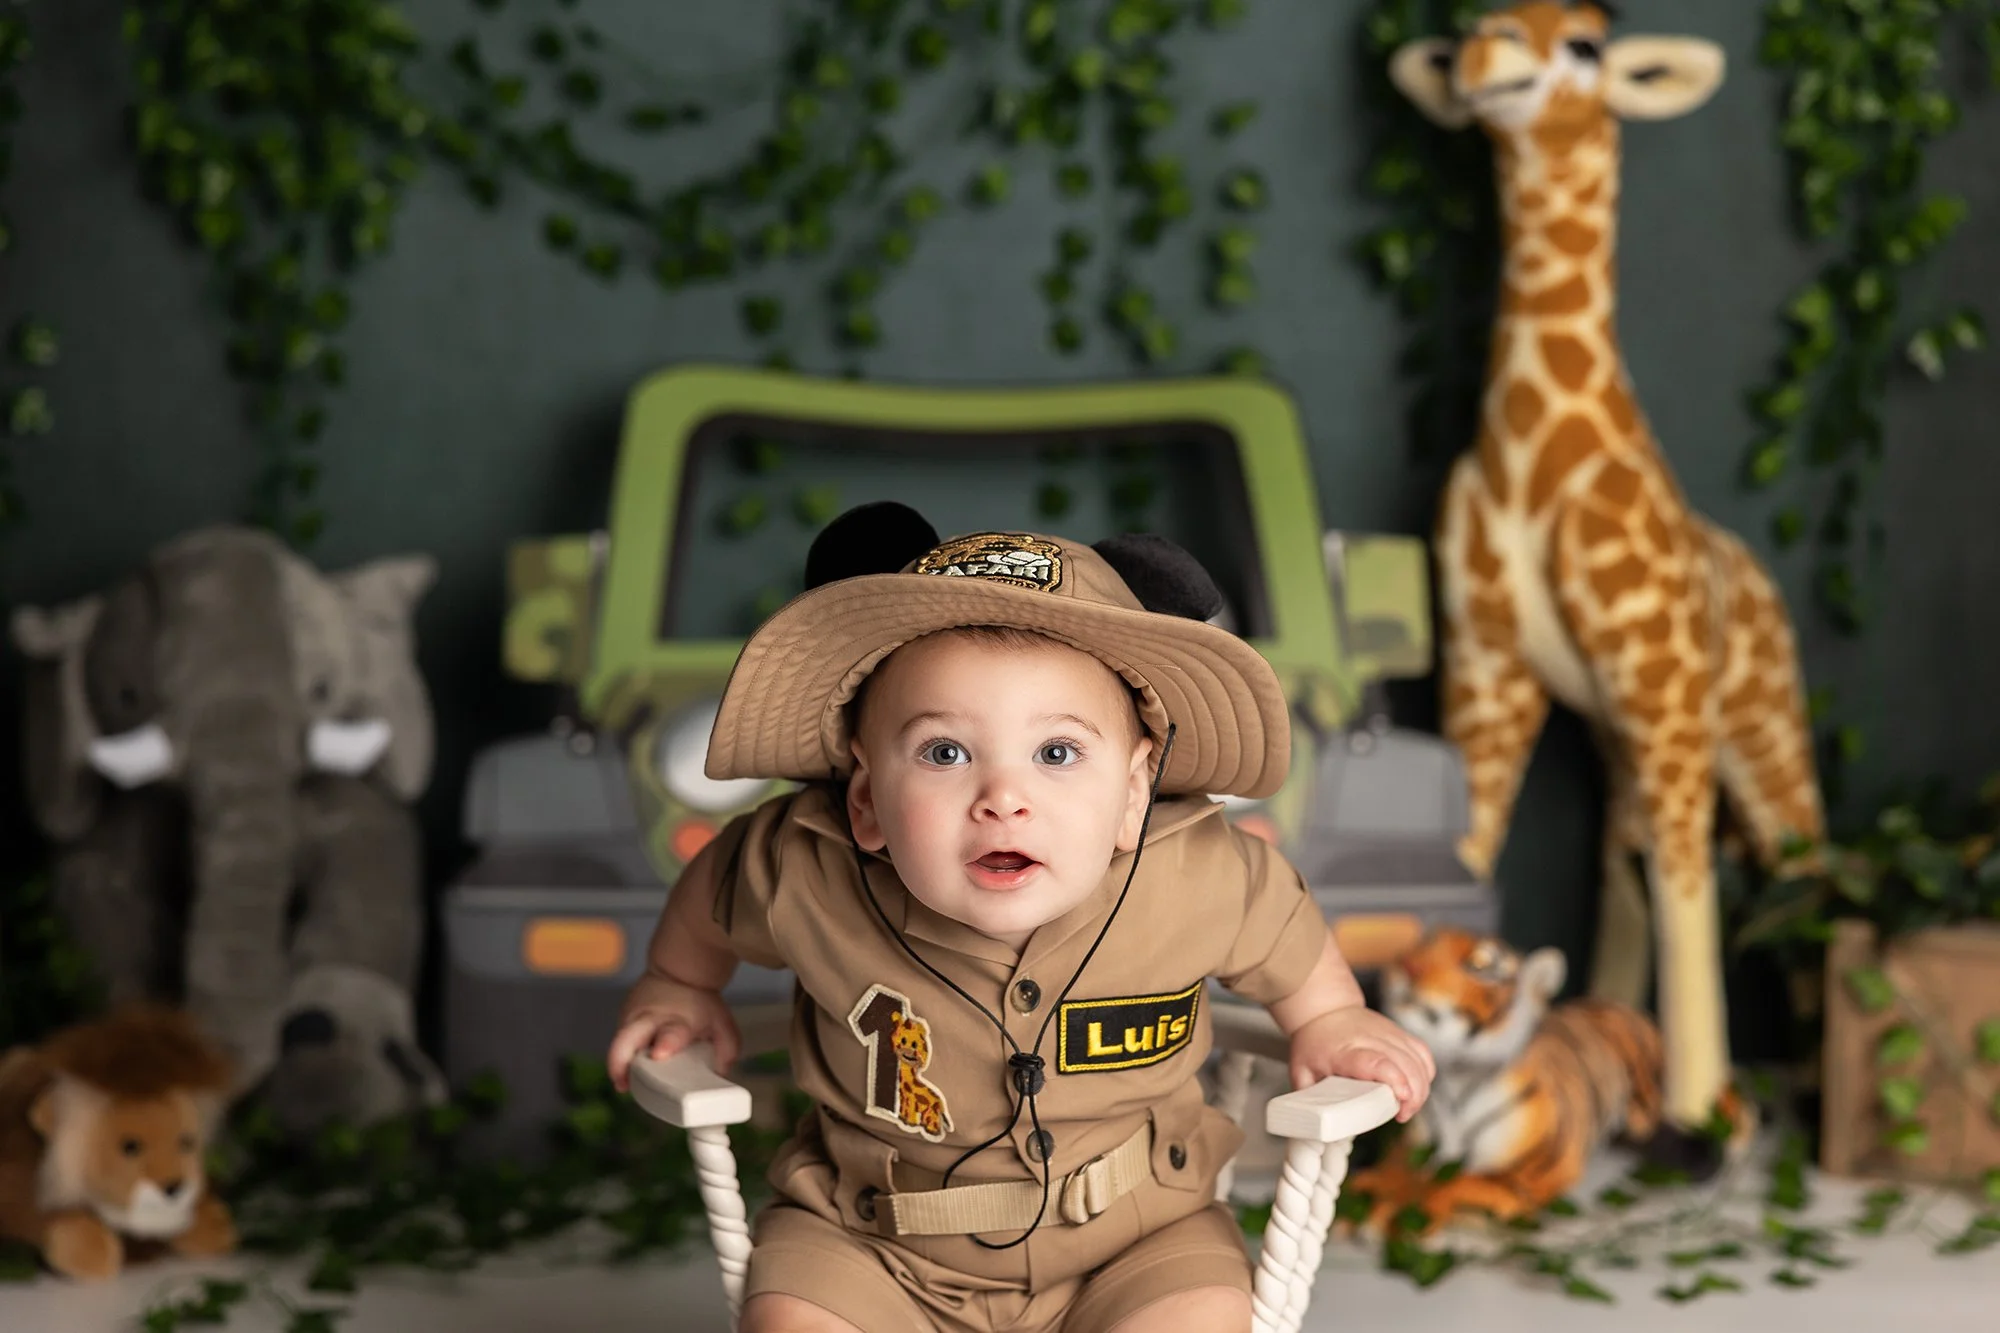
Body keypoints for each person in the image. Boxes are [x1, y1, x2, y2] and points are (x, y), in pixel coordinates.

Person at [607, 503, 1434, 1333]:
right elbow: (712, 899)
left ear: (1135, 794)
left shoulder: (1198, 872)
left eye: (1057, 753)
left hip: (1138, 1236)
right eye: (944, 752)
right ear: (864, 799)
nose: (1004, 797)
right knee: (795, 1320)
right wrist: (677, 986)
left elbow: (1287, 939)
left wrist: (1331, 1016)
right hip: (870, 1241)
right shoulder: (805, 865)